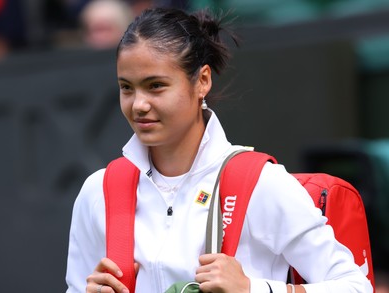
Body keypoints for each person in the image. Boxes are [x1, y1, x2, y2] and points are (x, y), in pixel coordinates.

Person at [65, 7, 373, 293]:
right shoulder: (99, 191)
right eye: (126, 88)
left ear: (202, 81)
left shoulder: (261, 183)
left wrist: (253, 288)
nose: (139, 105)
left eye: (156, 85)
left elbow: (355, 287)